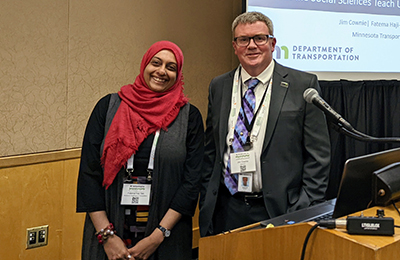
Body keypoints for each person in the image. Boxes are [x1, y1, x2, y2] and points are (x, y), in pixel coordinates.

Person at [199, 12, 331, 237]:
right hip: (226, 208)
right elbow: (211, 150)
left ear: (272, 43)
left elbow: (318, 156)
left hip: (279, 210)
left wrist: (304, 204)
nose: (251, 46)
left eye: (259, 38)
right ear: (235, 46)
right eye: (243, 39)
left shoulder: (302, 85)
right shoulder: (219, 86)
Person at [77, 41, 204, 260]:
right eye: (156, 63)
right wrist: (107, 237)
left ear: (178, 73)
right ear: (145, 64)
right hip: (109, 235)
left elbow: (191, 182)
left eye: (171, 67)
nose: (161, 71)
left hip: (166, 237)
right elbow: (89, 174)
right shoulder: (108, 107)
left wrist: (158, 236)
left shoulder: (189, 117)